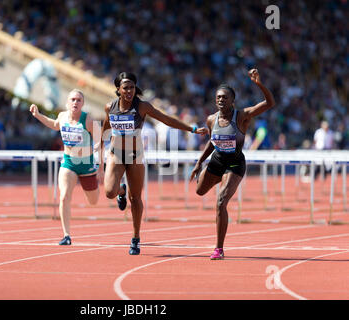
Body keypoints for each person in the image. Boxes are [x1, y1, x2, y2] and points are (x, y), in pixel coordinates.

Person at [99, 72, 207, 255]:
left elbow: (166, 119)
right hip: (115, 155)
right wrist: (101, 142)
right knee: (109, 192)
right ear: (118, 89)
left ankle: (135, 238)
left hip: (135, 156)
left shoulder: (142, 107)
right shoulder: (110, 106)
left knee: (136, 199)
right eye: (125, 88)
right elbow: (106, 124)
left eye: (132, 87)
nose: (129, 91)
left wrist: (192, 129)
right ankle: (121, 190)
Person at [190, 69, 275, 260]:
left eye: (225, 97)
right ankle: (216, 176)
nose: (221, 100)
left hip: (235, 164)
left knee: (221, 202)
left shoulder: (242, 116)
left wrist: (259, 84)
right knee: (199, 191)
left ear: (232, 101)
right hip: (217, 161)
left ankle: (218, 248)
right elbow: (212, 142)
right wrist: (199, 162)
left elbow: (270, 103)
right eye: (218, 97)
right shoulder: (211, 119)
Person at [30, 89, 101, 245]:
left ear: (83, 104)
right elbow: (55, 125)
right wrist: (38, 115)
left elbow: (99, 139)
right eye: (73, 99)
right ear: (67, 102)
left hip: (86, 164)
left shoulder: (88, 119)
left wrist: (98, 157)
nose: (75, 102)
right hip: (68, 162)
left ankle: (118, 191)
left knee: (93, 201)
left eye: (78, 100)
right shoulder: (62, 116)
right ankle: (66, 235)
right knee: (64, 196)